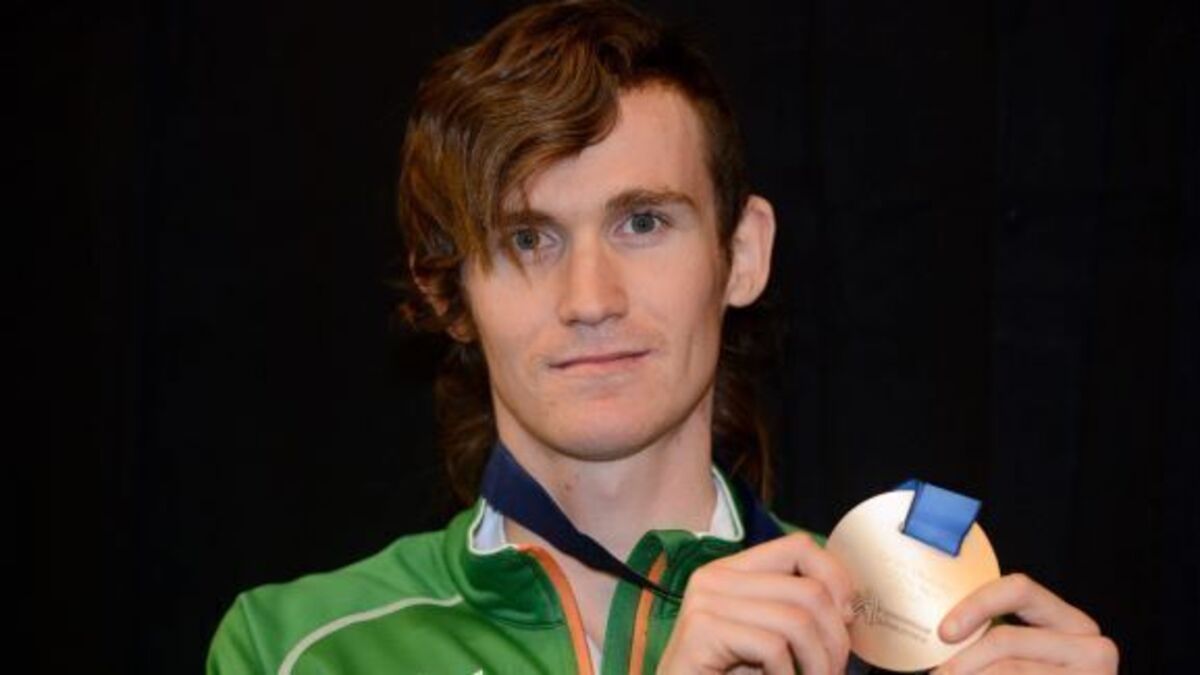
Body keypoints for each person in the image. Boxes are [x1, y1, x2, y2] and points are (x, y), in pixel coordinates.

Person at [206, 2, 1119, 673]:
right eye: (528, 239)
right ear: (448, 292)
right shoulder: (297, 647)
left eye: (642, 222)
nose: (590, 298)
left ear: (742, 254)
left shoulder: (898, 637)